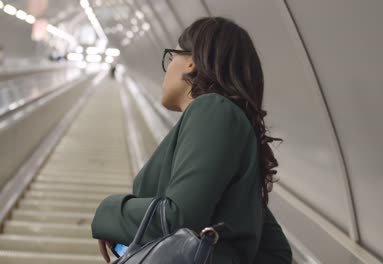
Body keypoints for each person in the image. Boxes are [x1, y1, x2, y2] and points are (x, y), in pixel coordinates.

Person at [91, 16, 292, 264]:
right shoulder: (225, 122)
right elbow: (276, 251)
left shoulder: (213, 110)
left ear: (192, 62)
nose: (167, 68)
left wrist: (109, 212)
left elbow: (178, 218)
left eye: (171, 56)